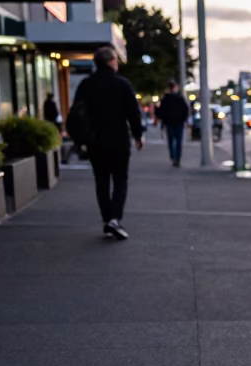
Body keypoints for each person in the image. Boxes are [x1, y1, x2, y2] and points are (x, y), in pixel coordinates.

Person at [71, 45, 143, 240]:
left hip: (95, 142)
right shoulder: (123, 84)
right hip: (119, 140)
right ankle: (115, 219)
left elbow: (76, 113)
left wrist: (80, 139)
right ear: (112, 62)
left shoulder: (86, 84)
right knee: (120, 180)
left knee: (101, 181)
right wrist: (137, 136)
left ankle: (106, 218)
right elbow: (133, 113)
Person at [155, 80, 189, 167]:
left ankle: (173, 156)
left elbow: (160, 111)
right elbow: (185, 110)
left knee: (171, 140)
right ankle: (177, 158)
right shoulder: (180, 98)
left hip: (169, 122)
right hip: (179, 122)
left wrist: (162, 119)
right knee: (178, 141)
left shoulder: (165, 99)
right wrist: (184, 120)